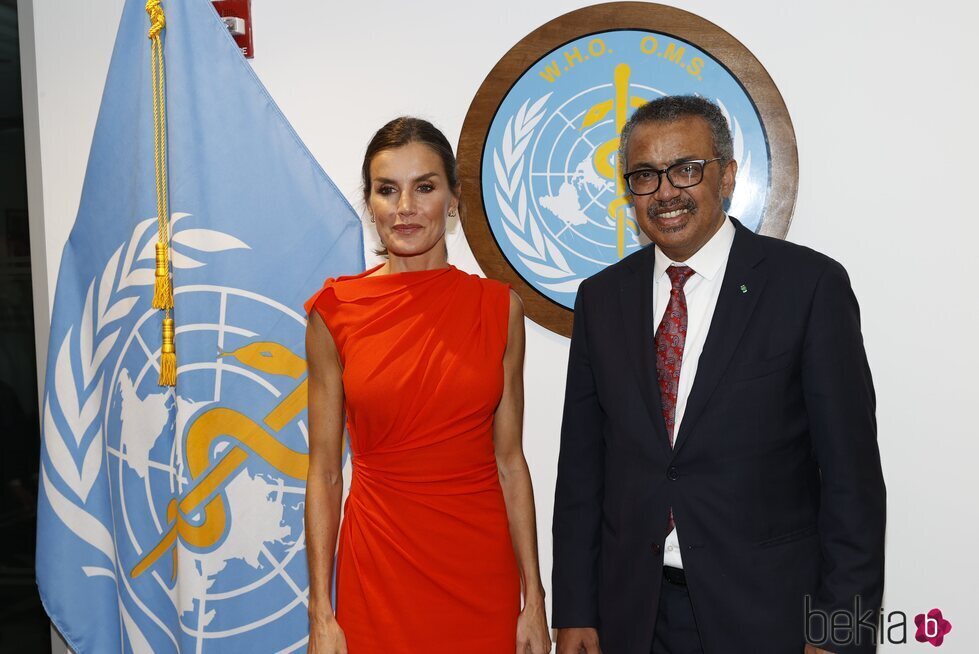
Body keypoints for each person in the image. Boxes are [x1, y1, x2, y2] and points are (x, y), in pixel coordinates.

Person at [552, 96, 885, 654]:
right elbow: (583, 473)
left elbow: (853, 483)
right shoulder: (601, 299)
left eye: (686, 169)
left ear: (726, 175)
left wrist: (840, 636)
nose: (665, 192)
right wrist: (575, 611)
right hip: (634, 615)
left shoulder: (807, 287)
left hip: (772, 616)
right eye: (644, 175)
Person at [304, 117, 551, 654]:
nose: (405, 208)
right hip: (379, 572)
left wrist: (535, 600)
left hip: (480, 573)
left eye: (425, 187)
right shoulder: (335, 313)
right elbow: (323, 471)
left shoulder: (498, 308)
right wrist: (321, 613)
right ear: (369, 203)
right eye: (386, 190)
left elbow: (510, 462)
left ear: (454, 200)